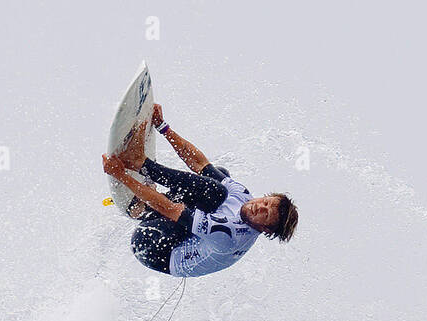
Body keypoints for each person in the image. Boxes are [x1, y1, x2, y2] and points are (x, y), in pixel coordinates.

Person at [102, 104, 298, 277]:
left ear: (264, 229)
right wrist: (163, 126)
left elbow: (171, 209)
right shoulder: (244, 196)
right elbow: (200, 164)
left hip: (153, 246)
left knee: (213, 192)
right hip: (178, 229)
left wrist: (122, 176)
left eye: (265, 214)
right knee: (219, 176)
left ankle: (139, 189)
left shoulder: (230, 236)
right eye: (265, 202)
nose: (259, 207)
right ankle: (144, 190)